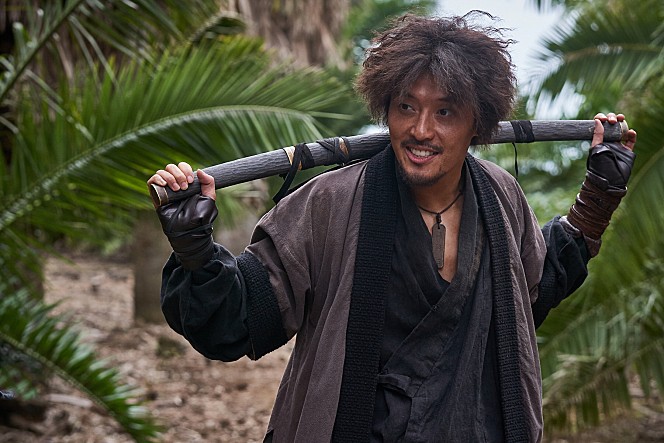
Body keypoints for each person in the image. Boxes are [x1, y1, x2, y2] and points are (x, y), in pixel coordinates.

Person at [147, 13, 637, 443]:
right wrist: (195, 249)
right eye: (406, 106)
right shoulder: (329, 203)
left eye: (445, 111)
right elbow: (241, 320)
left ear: (478, 124)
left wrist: (598, 198)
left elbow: (531, 291)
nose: (421, 130)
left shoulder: (500, 195)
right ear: (386, 109)